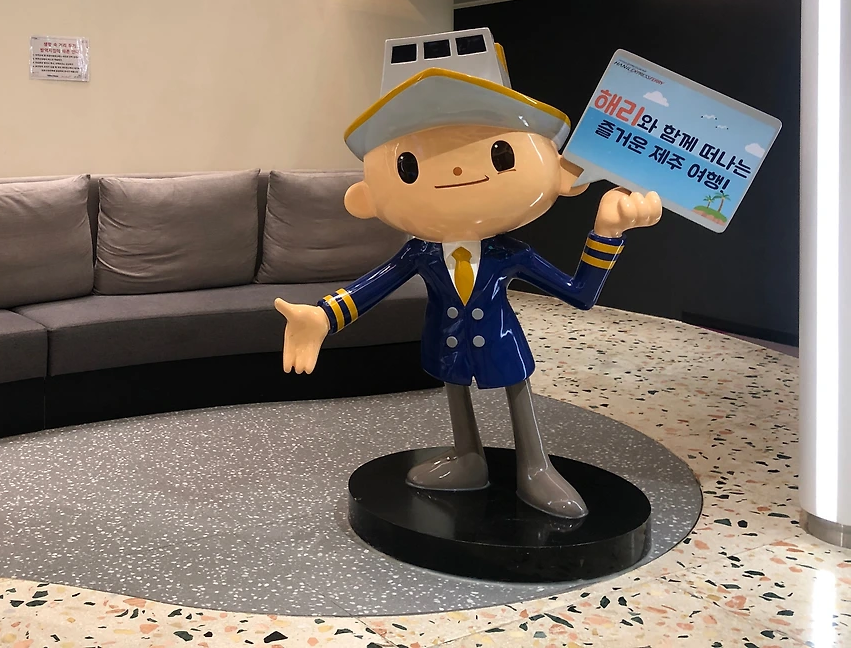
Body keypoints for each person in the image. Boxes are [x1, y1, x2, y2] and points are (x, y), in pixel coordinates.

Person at [274, 37, 661, 518]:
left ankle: (535, 466)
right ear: (365, 199)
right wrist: (322, 317)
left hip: (503, 344)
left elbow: (579, 294)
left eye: (500, 154)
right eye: (409, 165)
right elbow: (373, 285)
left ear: (563, 176)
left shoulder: (508, 253)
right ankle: (467, 458)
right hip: (446, 343)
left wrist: (606, 233)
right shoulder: (421, 252)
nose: (456, 168)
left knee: (518, 396)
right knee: (455, 395)